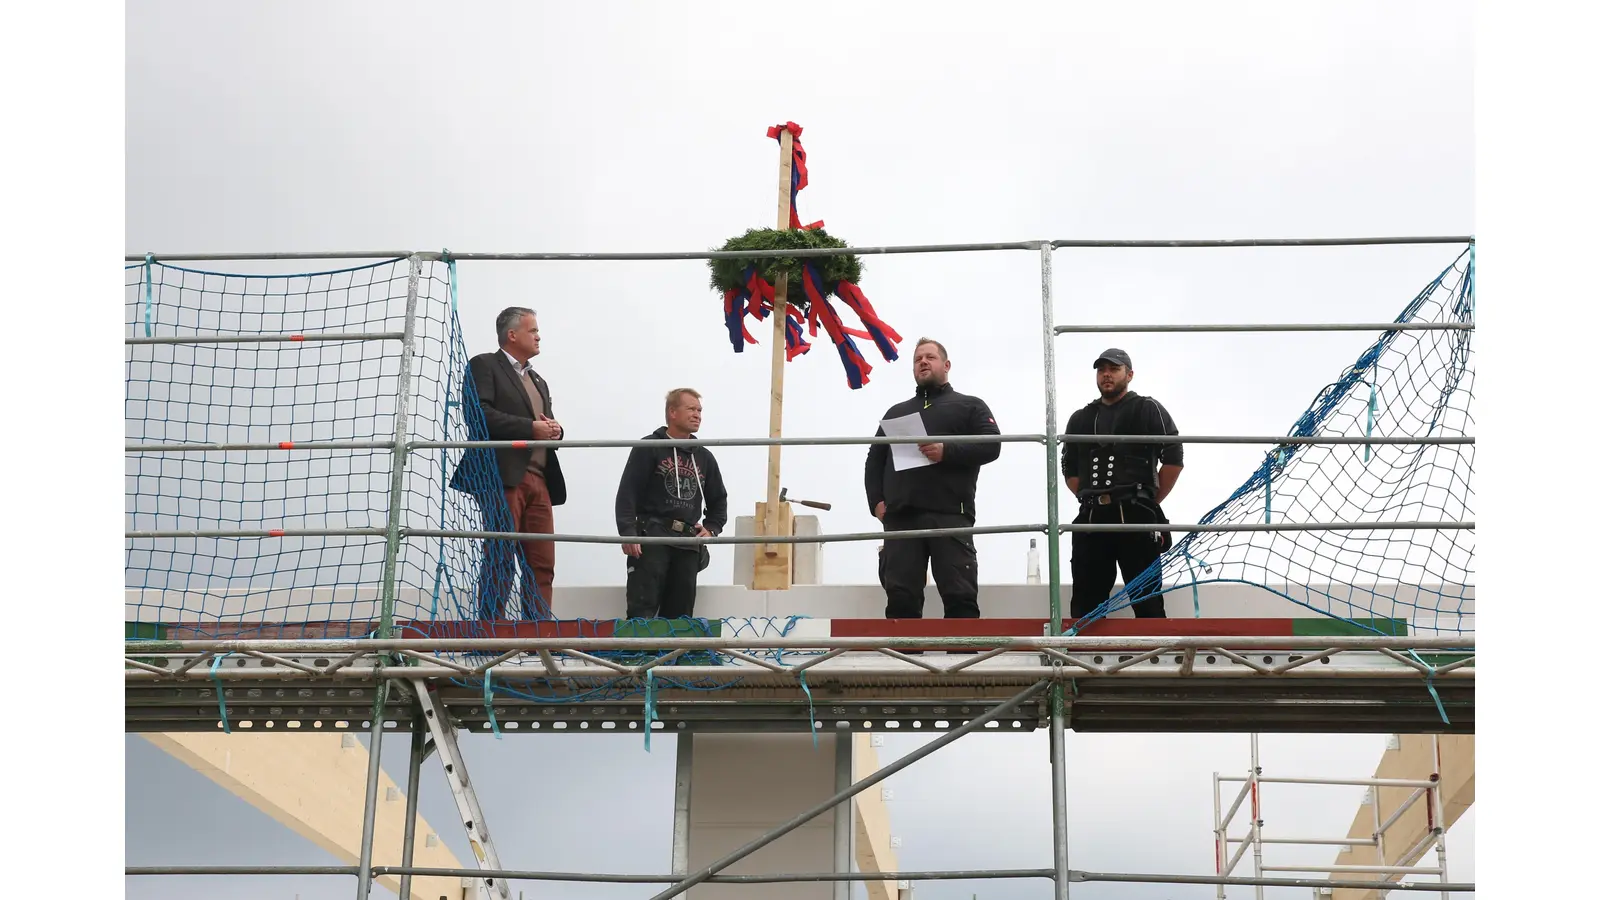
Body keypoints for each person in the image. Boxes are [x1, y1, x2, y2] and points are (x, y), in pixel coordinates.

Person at [864, 338, 1001, 619]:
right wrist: (876, 501)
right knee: (901, 598)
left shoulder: (970, 406)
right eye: (917, 359)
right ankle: (905, 662)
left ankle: (961, 660)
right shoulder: (896, 413)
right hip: (901, 518)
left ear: (946, 365)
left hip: (950, 514)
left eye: (930, 357)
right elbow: (875, 460)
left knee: (960, 595)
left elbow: (992, 445)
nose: (923, 362)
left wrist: (946, 450)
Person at [457, 306, 567, 613]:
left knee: (542, 561)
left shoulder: (538, 380)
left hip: (540, 479)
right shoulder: (484, 365)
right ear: (512, 334)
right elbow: (479, 414)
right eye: (533, 330)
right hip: (502, 475)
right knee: (501, 554)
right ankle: (492, 630)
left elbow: (546, 422)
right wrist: (530, 427)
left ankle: (538, 633)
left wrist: (556, 430)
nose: (538, 336)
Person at [1062, 348, 1183, 619]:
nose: (1106, 374)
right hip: (1092, 517)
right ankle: (1084, 659)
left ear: (1129, 374)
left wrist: (1149, 501)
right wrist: (1091, 495)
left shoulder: (1147, 408)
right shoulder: (1080, 418)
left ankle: (1155, 660)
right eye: (1102, 369)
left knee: (1147, 600)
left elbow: (1174, 456)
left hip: (1137, 514)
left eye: (1114, 369)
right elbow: (1069, 466)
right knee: (1085, 603)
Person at [615, 388, 729, 619]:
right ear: (672, 412)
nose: (697, 414)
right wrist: (627, 532)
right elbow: (628, 492)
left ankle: (675, 657)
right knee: (642, 609)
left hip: (687, 542)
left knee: (681, 614)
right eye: (691, 409)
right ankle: (639, 655)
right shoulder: (649, 447)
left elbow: (718, 499)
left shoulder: (704, 456)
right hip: (652, 536)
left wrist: (712, 528)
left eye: (699, 410)